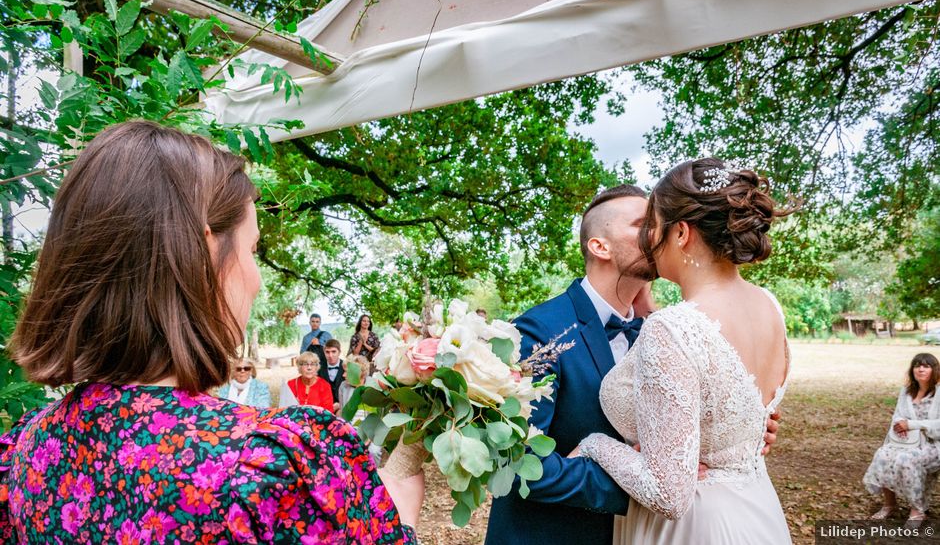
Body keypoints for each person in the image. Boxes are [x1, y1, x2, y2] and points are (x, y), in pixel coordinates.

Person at [0, 121, 420, 542]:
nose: (256, 279)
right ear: (201, 257)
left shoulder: (26, 450)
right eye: (252, 249)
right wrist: (401, 498)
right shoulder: (264, 470)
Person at [485, 181, 780, 545]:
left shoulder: (667, 330)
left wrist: (742, 429)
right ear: (599, 246)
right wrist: (642, 488)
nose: (658, 234)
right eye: (644, 224)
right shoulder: (541, 331)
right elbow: (517, 463)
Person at [575, 158, 793, 543]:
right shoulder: (769, 306)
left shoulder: (672, 329)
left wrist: (595, 445)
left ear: (680, 233)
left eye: (652, 227)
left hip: (694, 527)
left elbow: (667, 493)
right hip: (756, 512)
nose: (647, 240)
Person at [864, 353, 940, 526]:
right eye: (917, 365)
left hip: (933, 444)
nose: (921, 369)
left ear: (934, 369)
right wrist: (899, 426)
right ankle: (890, 505)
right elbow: (898, 416)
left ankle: (917, 510)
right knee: (883, 455)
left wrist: (912, 424)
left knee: (906, 460)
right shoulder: (906, 391)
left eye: (926, 366)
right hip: (907, 441)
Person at [319, 339, 346, 412]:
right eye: (327, 352)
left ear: (339, 352)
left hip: (342, 406)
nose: (330, 355)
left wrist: (340, 404)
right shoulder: (318, 368)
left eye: (334, 352)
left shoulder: (347, 367)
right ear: (324, 352)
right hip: (322, 408)